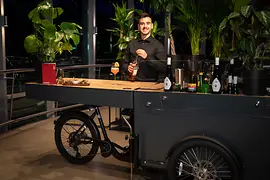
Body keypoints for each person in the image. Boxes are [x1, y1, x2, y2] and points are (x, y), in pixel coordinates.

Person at [122, 12, 166, 82]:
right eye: (142, 24)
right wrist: (127, 67)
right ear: (139, 27)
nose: (145, 26)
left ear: (151, 26)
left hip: (150, 85)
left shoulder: (158, 45)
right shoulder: (132, 44)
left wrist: (147, 57)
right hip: (132, 83)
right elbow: (124, 63)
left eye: (148, 23)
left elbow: (163, 67)